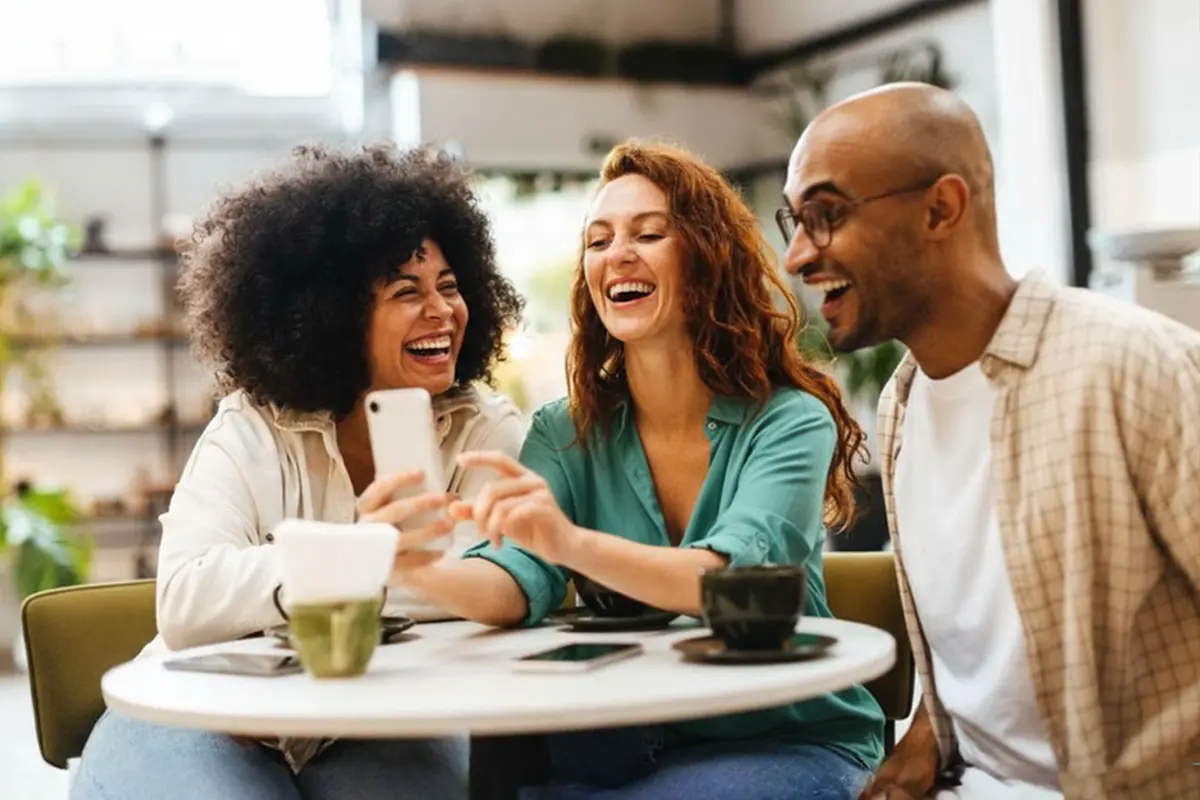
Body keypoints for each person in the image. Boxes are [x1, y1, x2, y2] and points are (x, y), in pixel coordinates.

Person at [377, 140, 885, 799]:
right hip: (625, 737)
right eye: (598, 240)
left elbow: (733, 579)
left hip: (782, 737)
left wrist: (570, 541)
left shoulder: (788, 421)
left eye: (650, 234)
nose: (617, 254)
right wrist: (420, 568)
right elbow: (513, 578)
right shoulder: (567, 430)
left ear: (708, 261)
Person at [779, 82, 1200, 800]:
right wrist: (924, 733)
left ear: (941, 208)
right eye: (794, 221)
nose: (795, 257)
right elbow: (984, 654)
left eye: (823, 216)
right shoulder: (902, 403)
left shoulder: (1133, 367)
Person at [72, 143, 526, 800]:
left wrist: (295, 586)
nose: (442, 311)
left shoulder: (487, 430)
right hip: (207, 708)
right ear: (335, 316)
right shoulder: (252, 427)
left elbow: (507, 587)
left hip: (381, 716)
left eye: (449, 287)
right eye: (407, 291)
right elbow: (186, 602)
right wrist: (355, 556)